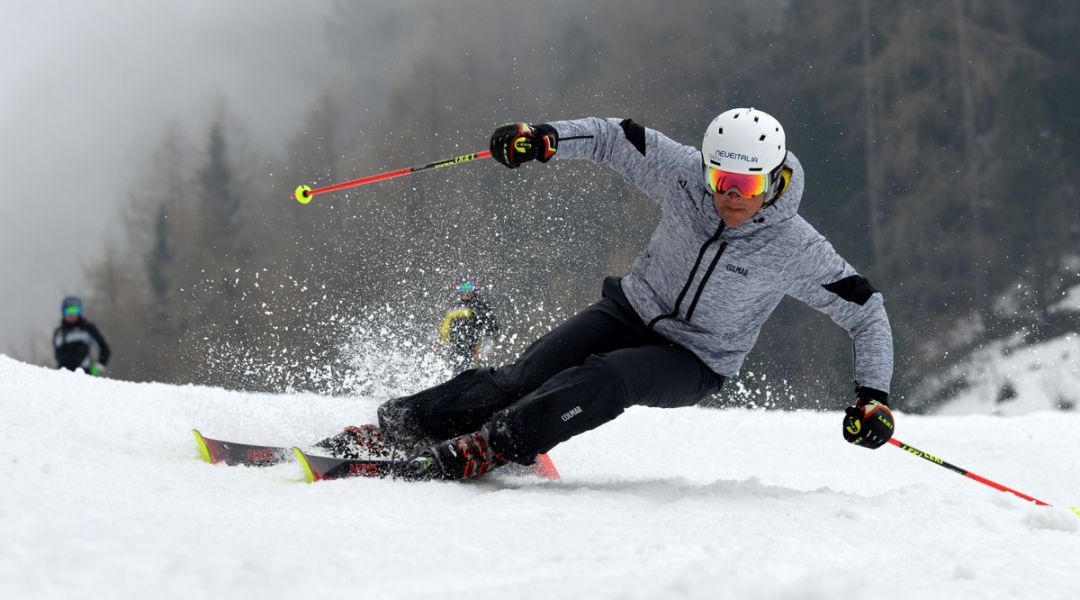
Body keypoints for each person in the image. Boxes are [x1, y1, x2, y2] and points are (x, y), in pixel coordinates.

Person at [337, 109, 896, 479]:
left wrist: (873, 398)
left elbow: (866, 311)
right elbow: (615, 138)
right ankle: (400, 428)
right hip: (631, 307)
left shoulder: (794, 246)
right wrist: (544, 139)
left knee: (609, 377)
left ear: (774, 180)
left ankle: (495, 445)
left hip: (695, 359)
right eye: (720, 179)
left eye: (746, 186)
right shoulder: (682, 177)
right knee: (521, 376)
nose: (730, 196)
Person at [437, 278, 500, 373]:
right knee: (454, 370)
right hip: (456, 347)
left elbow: (492, 328)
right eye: (462, 289)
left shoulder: (481, 305)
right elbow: (446, 326)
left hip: (473, 347)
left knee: (471, 370)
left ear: (475, 289)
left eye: (469, 288)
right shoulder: (455, 305)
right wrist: (441, 341)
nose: (466, 292)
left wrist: (484, 347)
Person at [53, 296, 110, 376]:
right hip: (63, 377)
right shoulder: (59, 333)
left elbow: (104, 349)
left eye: (75, 311)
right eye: (68, 311)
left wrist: (99, 366)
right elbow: (57, 356)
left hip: (83, 374)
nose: (72, 315)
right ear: (63, 312)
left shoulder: (87, 329)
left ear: (80, 311)